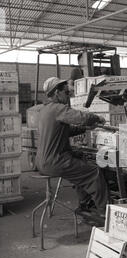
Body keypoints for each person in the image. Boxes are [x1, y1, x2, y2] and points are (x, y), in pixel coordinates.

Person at [35, 77, 109, 224]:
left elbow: (65, 131)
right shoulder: (57, 109)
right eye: (66, 92)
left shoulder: (44, 111)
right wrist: (97, 118)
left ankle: (85, 204)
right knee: (93, 172)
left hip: (43, 161)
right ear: (57, 92)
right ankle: (105, 213)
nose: (68, 95)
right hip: (55, 161)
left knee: (80, 161)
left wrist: (86, 128)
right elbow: (80, 117)